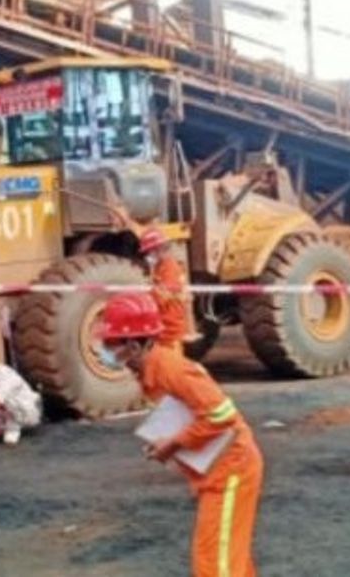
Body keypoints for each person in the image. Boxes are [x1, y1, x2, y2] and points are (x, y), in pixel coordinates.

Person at [98, 292, 263, 577]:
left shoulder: (171, 368)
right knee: (227, 559)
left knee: (215, 566)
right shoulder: (154, 369)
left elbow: (222, 415)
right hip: (218, 470)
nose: (103, 350)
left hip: (230, 470)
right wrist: (168, 445)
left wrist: (174, 444)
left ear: (134, 345)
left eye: (110, 344)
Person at [139, 225, 189, 346]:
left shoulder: (170, 267)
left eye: (149, 251)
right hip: (165, 327)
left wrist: (142, 298)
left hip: (171, 328)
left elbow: (162, 296)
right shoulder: (160, 267)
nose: (148, 255)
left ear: (159, 249)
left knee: (167, 362)